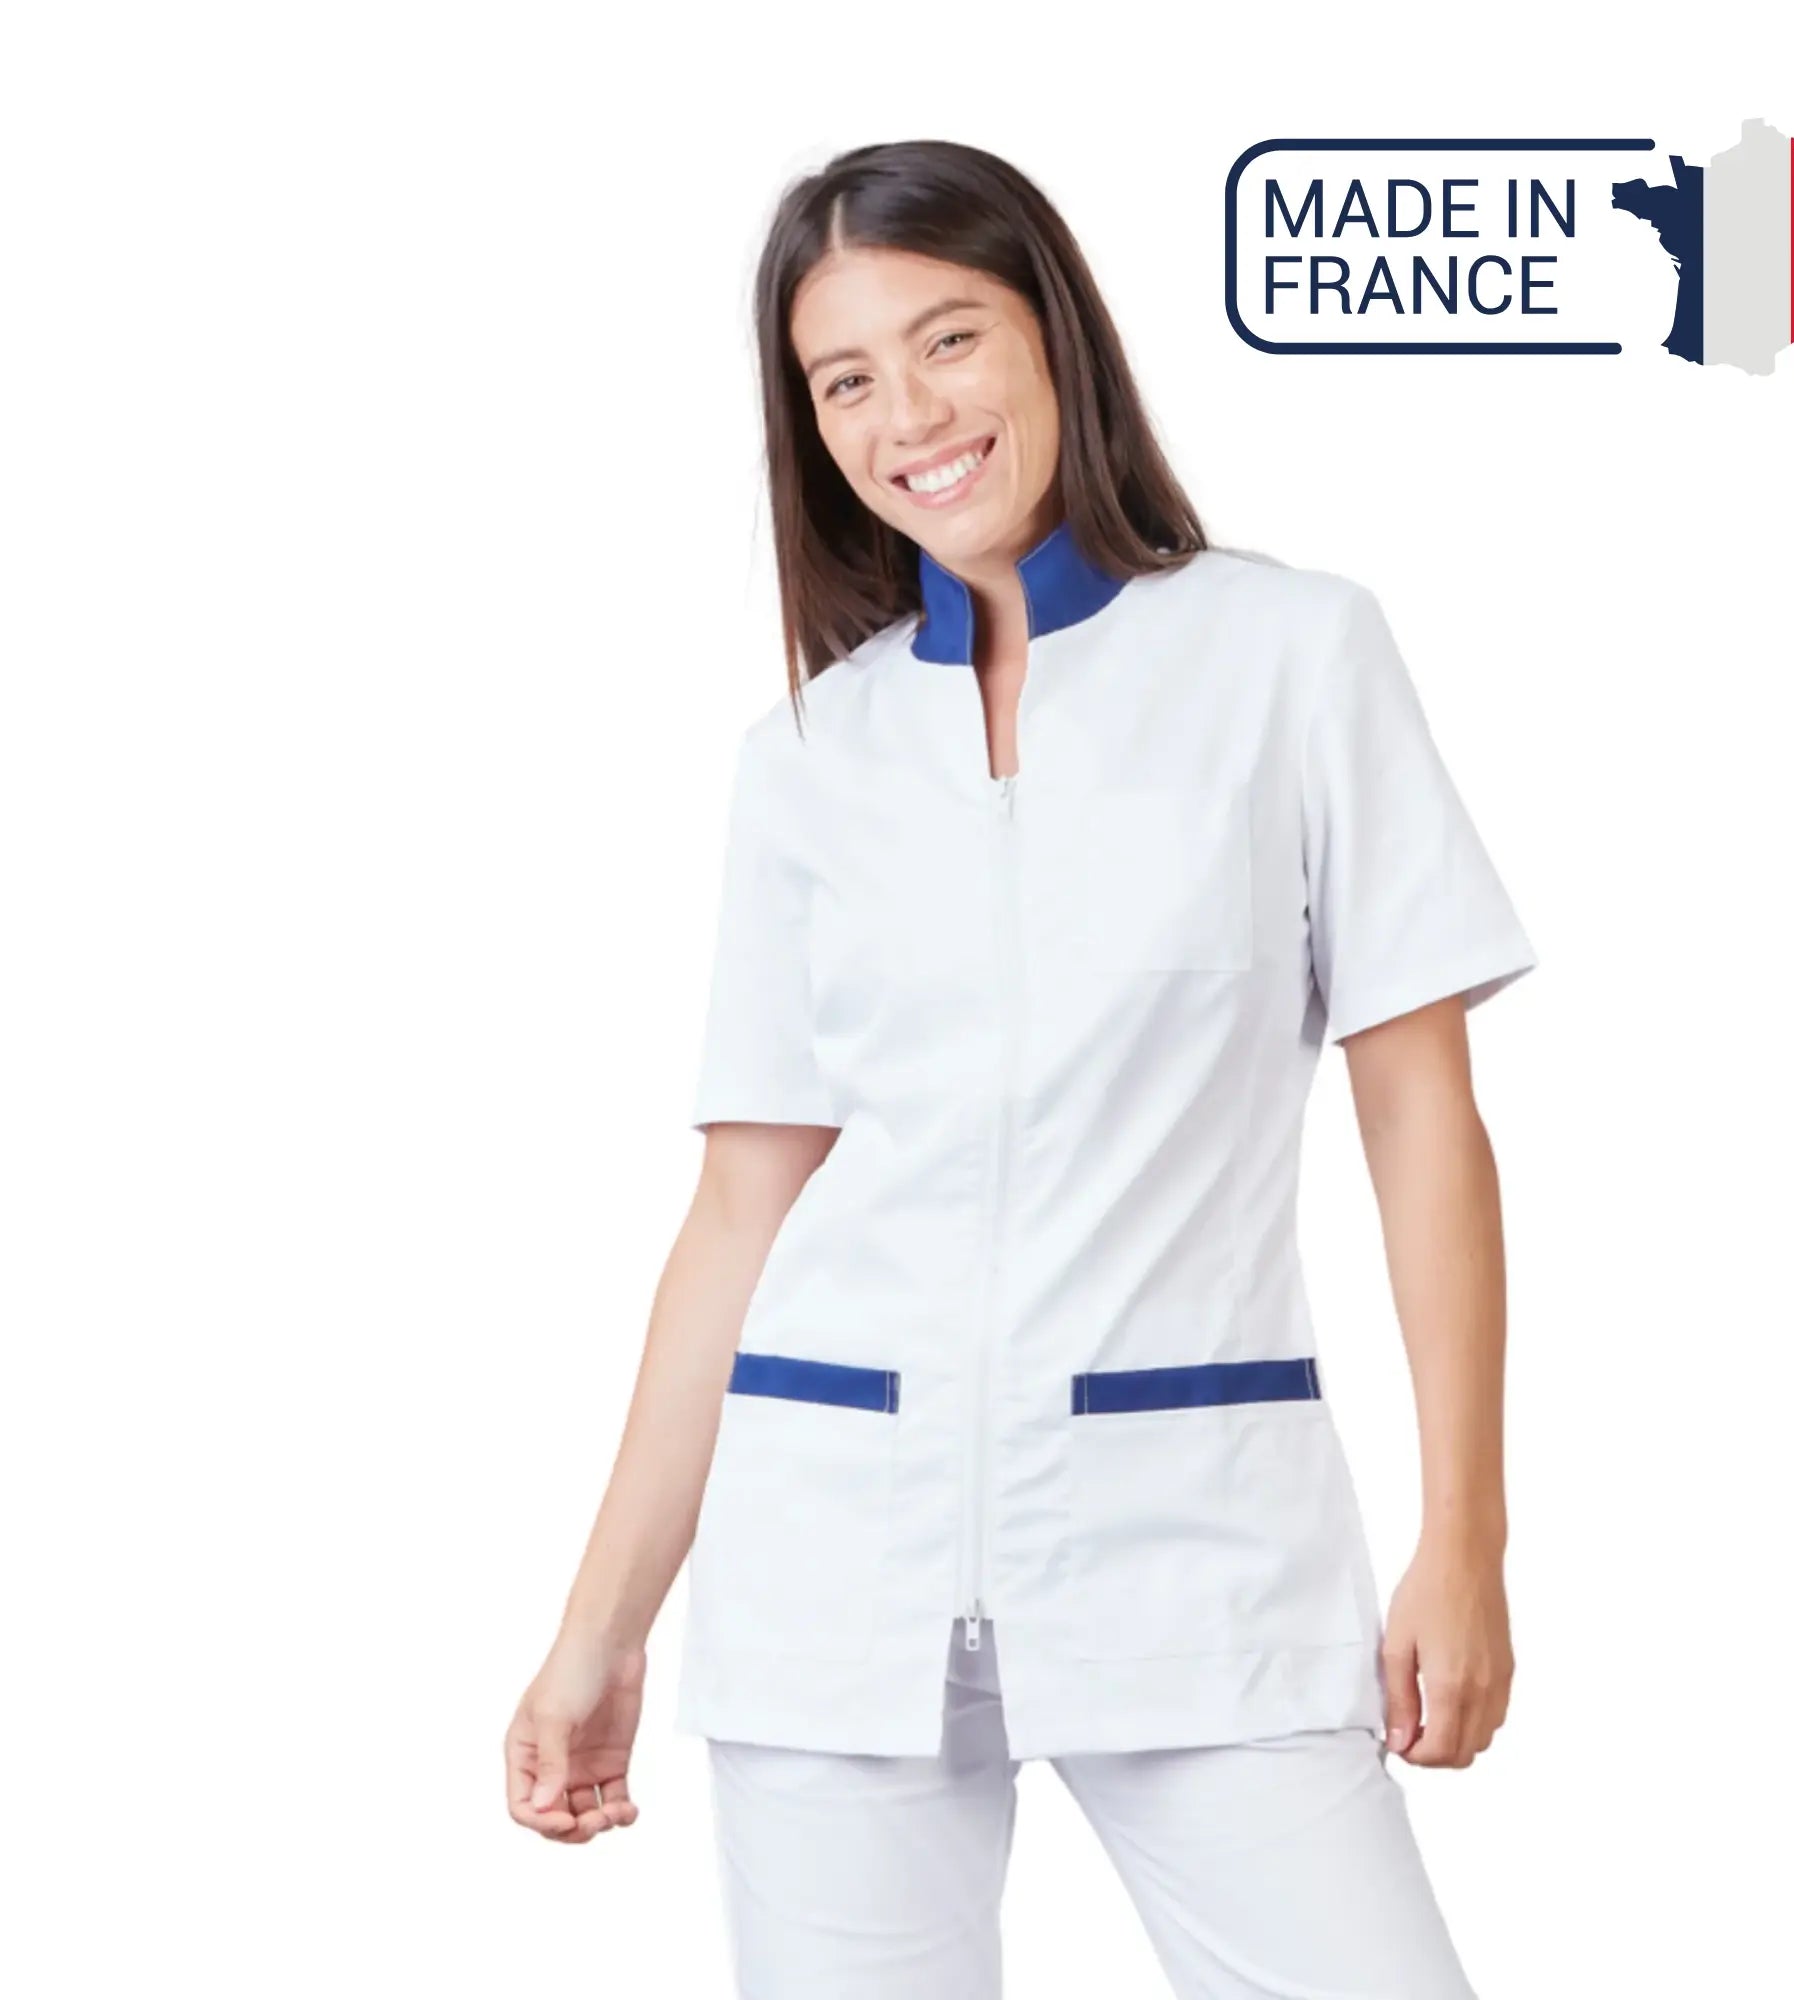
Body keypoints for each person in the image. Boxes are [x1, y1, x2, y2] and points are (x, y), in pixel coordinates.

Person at [504, 138, 1536, 2000]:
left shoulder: (1291, 656)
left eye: (948, 338)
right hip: (831, 1565)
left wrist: (1466, 1532)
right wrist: (603, 1626)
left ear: (1053, 330)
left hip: (1194, 1543)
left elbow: (1420, 1118)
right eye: (844, 380)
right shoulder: (806, 756)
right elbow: (741, 1211)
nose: (908, 415)